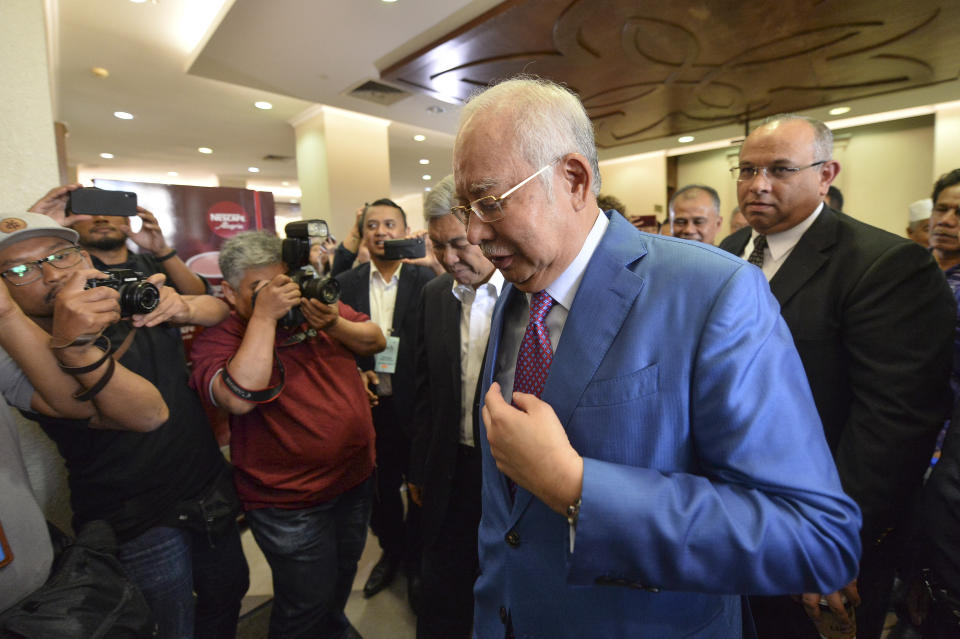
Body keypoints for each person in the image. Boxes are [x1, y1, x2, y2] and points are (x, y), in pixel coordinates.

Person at [453, 75, 861, 638]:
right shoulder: (518, 287)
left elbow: (815, 538)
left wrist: (575, 486)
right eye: (465, 206)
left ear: (573, 180)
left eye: (490, 201)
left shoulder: (713, 292)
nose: (474, 232)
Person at [719, 114, 955, 639]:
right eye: (747, 169)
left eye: (779, 170)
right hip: (727, 519)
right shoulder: (724, 254)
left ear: (827, 174)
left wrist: (830, 539)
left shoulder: (884, 265)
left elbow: (892, 426)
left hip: (818, 528)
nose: (757, 185)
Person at [1, 211, 250, 639]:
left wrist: (182, 305)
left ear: (84, 258)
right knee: (168, 626)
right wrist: (71, 340)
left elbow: (216, 309)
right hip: (136, 519)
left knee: (226, 596)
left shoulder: (123, 292)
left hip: (207, 486)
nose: (51, 274)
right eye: (21, 270)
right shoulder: (18, 356)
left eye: (60, 255)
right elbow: (146, 414)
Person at [190, 230, 385, 639]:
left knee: (337, 583)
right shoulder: (221, 335)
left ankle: (335, 628)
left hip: (353, 480)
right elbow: (240, 398)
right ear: (228, 291)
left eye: (284, 286)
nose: (281, 298)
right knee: (303, 605)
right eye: (262, 290)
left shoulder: (311, 306)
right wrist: (263, 316)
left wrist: (333, 322)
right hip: (290, 501)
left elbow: (375, 339)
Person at [408, 175, 502, 638]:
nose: (448, 259)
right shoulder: (433, 295)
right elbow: (423, 392)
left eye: (459, 244)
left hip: (507, 473)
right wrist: (418, 469)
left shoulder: (527, 294)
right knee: (444, 590)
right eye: (437, 245)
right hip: (449, 468)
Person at [335, 199, 437, 601]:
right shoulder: (345, 283)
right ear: (362, 233)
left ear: (405, 231)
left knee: (420, 487)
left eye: (389, 224)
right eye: (371, 224)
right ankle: (392, 553)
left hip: (417, 406)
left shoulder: (427, 281)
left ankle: (416, 561)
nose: (380, 232)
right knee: (379, 490)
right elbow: (333, 345)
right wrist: (354, 371)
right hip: (367, 409)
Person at [29, 184, 208, 294]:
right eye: (89, 212)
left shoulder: (154, 264)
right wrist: (36, 221)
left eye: (110, 211)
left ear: (127, 220)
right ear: (70, 224)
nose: (101, 218)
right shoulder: (65, 272)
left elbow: (198, 294)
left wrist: (162, 251)